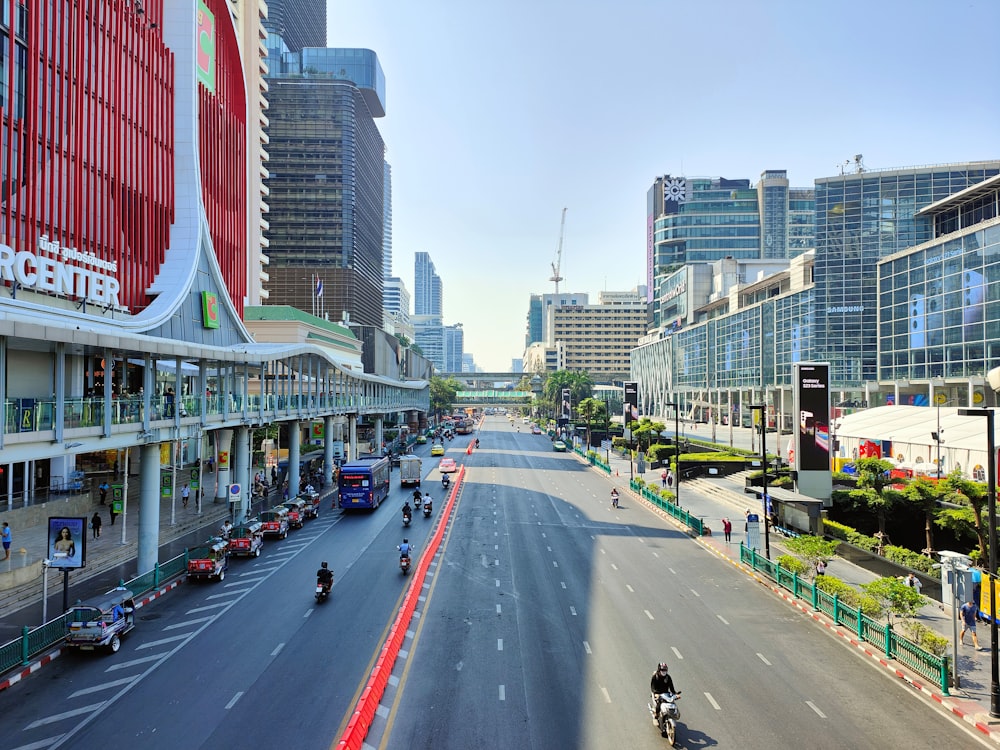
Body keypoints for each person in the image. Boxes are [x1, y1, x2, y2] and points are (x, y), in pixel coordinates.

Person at [650, 662, 680, 735]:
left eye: (665, 670)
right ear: (659, 670)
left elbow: (672, 688)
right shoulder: (655, 677)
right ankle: (656, 716)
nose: (664, 671)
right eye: (662, 670)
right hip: (658, 694)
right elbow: (653, 687)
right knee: (658, 706)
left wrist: (676, 694)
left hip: (666, 694)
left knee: (672, 703)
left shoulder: (668, 677)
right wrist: (656, 693)